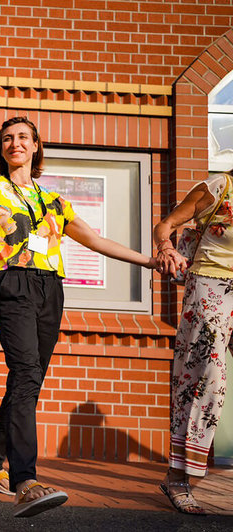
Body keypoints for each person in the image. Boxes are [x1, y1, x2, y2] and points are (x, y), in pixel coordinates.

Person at [0, 116, 156, 517]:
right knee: (26, 373)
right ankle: (24, 480)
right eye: (7, 139)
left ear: (36, 146)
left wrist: (148, 262)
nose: (15, 143)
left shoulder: (54, 201)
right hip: (13, 285)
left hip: (50, 289)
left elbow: (94, 239)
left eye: (23, 137)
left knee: (29, 378)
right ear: (1, 150)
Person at [152, 167, 233, 515]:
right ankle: (178, 477)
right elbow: (166, 225)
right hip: (210, 287)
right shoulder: (220, 186)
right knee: (206, 378)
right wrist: (166, 248)